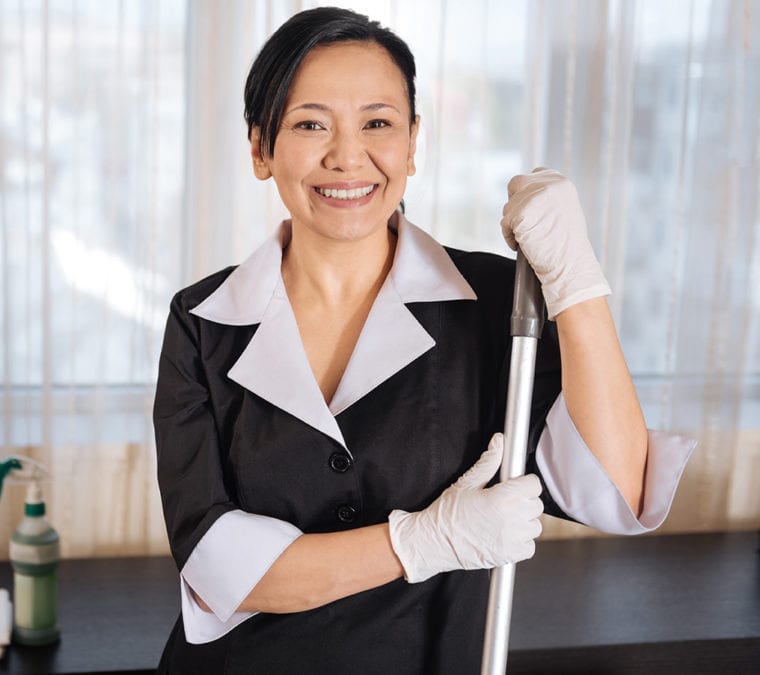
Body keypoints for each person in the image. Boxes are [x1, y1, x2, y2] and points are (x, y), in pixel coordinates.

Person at [153, 7, 694, 673]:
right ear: (261, 149)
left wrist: (576, 281)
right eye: (310, 123)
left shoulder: (495, 305)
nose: (347, 156)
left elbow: (616, 492)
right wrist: (424, 541)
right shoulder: (204, 321)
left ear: (413, 143)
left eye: (377, 123)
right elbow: (219, 566)